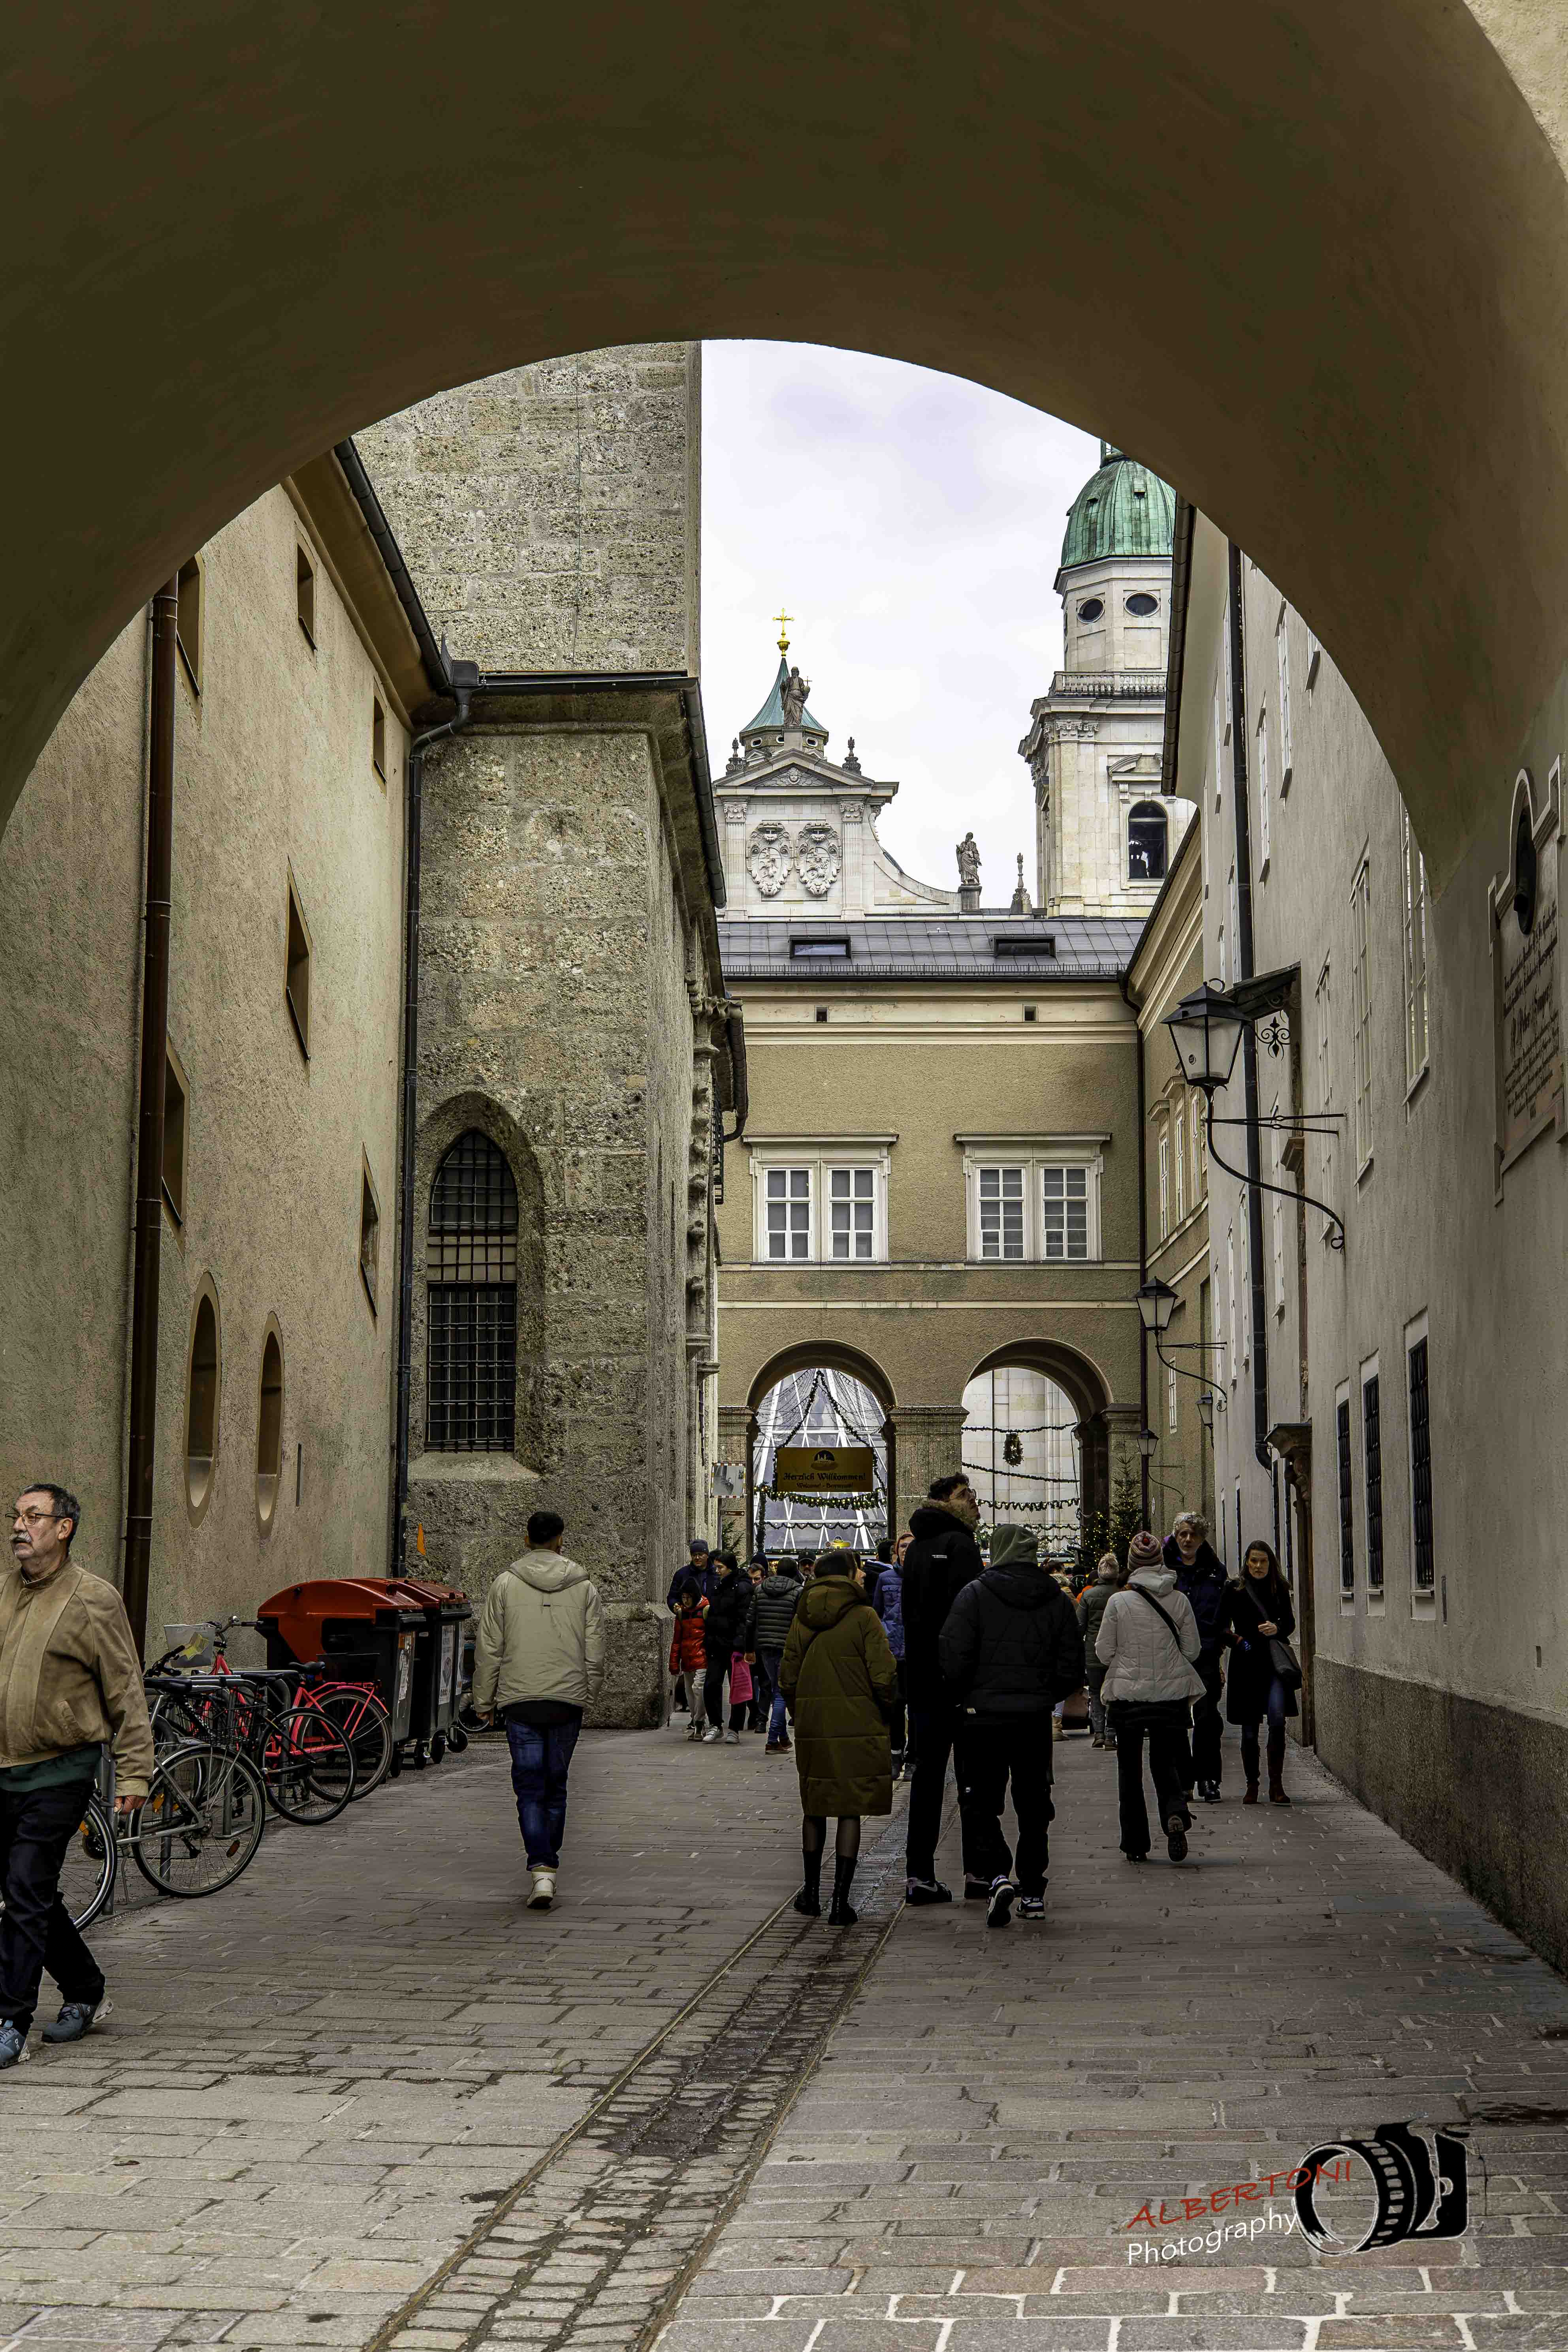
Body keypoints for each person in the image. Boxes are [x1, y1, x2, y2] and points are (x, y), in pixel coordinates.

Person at [0, 1483, 154, 2068]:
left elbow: (125, 1688)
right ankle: (87, 1989)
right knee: (27, 1892)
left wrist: (135, 1773)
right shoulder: (3, 1591)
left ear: (63, 1528)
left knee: (25, 1885)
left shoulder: (94, 1599)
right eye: (16, 1515)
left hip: (61, 1769)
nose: (19, 1525)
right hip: (4, 1766)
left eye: (33, 1516)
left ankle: (10, 2022)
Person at [937, 1522, 1084, 1927]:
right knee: (1034, 1803)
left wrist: (966, 1692)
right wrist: (1045, 1693)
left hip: (982, 1717)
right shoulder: (1055, 1597)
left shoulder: (974, 1594)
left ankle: (998, 1873)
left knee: (980, 1801)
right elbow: (1071, 1660)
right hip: (1032, 1718)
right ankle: (1033, 1889)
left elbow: (952, 1653)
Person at [472, 1506, 604, 1910]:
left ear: (526, 1539)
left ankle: (541, 1868)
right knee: (556, 1784)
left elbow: (489, 1648)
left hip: (521, 1700)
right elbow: (595, 1648)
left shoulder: (505, 1584)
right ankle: (549, 1864)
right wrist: (588, 1692)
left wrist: (484, 1700)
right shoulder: (584, 1587)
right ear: (560, 1539)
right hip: (565, 1700)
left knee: (529, 1787)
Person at [778, 1550, 898, 1924]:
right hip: (857, 1720)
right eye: (857, 1569)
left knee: (814, 1804)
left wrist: (802, 1712)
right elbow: (883, 1675)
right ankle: (840, 1903)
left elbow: (787, 1676)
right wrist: (887, 1709)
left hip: (814, 1723)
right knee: (849, 1808)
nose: (862, 1574)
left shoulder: (802, 1616)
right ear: (846, 1574)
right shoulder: (864, 1616)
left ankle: (811, 1894)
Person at [1095, 1528, 1205, 1865]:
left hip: (1128, 1698)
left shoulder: (1118, 1602)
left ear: (1131, 1564)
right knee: (1165, 1759)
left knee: (1129, 1768)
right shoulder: (1179, 1600)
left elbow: (1103, 1652)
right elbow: (1193, 1650)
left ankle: (1135, 1842)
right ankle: (1174, 1812)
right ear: (1160, 1561)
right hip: (1169, 1697)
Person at [900, 1473, 984, 1904]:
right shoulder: (962, 1545)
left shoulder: (915, 1548)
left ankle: (919, 1875)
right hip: (959, 1684)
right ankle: (978, 1872)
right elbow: (970, 1617)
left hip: (923, 1681)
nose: (974, 1501)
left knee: (927, 1778)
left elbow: (911, 1615)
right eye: (965, 1495)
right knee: (973, 1779)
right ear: (945, 1502)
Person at [1222, 1540, 1297, 1804]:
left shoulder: (1280, 1588)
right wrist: (1238, 1642)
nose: (1258, 1566)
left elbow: (1290, 1623)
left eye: (1263, 1561)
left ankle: (1276, 1785)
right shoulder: (1234, 1589)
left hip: (1274, 1664)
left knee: (1277, 1719)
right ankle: (1252, 1784)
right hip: (1246, 1664)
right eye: (1253, 1560)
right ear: (1247, 1562)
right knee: (1249, 1728)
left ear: (1270, 1563)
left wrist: (1277, 1628)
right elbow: (1221, 1627)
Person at [1166, 1512, 1229, 1802]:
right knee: (1176, 1718)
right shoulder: (1165, 1569)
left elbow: (1224, 1611)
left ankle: (1208, 1778)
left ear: (1202, 1538)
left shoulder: (1216, 1570)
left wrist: (1218, 1641)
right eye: (1183, 1534)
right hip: (1173, 1654)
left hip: (1206, 1652)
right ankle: (1183, 1780)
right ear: (1176, 1536)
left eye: (1193, 1534)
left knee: (1207, 1717)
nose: (1188, 1539)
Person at [700, 1550, 755, 1745]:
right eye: (716, 1567)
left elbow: (744, 1619)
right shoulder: (717, 1585)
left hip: (734, 1646)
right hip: (716, 1644)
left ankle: (735, 1728)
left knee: (737, 1687)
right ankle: (715, 1724)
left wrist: (741, 1645)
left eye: (720, 1568)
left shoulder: (742, 1588)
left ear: (730, 1568)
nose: (717, 1571)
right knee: (711, 1685)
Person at [753, 1554, 804, 1753]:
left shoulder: (760, 1590)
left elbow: (751, 1620)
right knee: (781, 1692)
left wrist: (750, 1648)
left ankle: (783, 1738)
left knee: (776, 1688)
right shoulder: (798, 1591)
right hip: (787, 1647)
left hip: (765, 1646)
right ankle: (773, 1739)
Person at [1076, 1551, 1124, 1748]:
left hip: (1093, 1651)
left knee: (1096, 1692)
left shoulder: (1088, 1595)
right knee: (1114, 1693)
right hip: (1118, 1651)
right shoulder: (1123, 1594)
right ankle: (1112, 1734)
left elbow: (1080, 1626)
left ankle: (1099, 1734)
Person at [870, 1534, 908, 1776]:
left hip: (917, 1651)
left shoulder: (924, 1576)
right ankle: (896, 1753)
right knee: (896, 1704)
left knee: (917, 1707)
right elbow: (878, 1611)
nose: (906, 1550)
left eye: (911, 1546)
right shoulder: (885, 1578)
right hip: (893, 1649)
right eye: (902, 1546)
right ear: (896, 1551)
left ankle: (913, 1756)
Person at [668, 1586, 709, 1738]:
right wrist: (674, 1663)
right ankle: (696, 1719)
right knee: (690, 1693)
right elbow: (677, 1641)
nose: (685, 1601)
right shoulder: (681, 1614)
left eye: (688, 1597)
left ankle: (699, 1722)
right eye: (683, 1597)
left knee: (699, 1688)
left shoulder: (705, 1610)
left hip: (702, 1657)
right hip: (687, 1659)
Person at [666, 1538, 715, 1611]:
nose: (697, 1558)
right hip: (689, 1616)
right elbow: (672, 1597)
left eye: (700, 1555)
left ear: (707, 1556)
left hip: (713, 1616)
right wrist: (675, 1606)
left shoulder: (717, 1574)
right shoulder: (681, 1574)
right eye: (694, 1555)